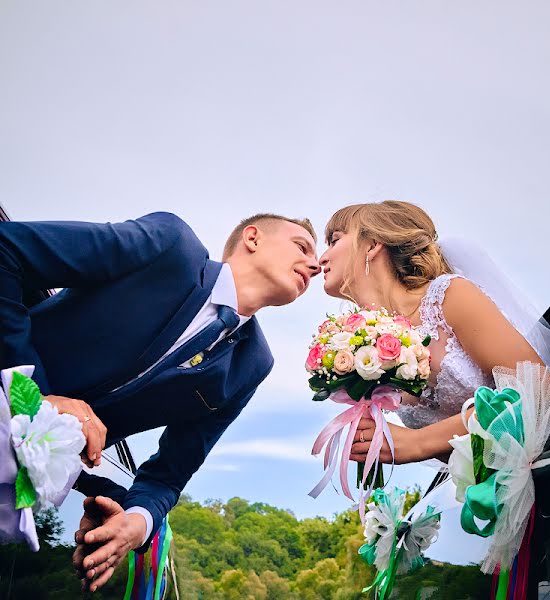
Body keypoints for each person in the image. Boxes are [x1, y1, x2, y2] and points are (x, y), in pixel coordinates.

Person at [0, 211, 320, 591]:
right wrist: (34, 395)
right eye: (301, 247)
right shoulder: (170, 246)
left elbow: (169, 475)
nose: (315, 265)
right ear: (252, 238)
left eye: (316, 261)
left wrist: (135, 523)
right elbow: (8, 250)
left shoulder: (252, 364)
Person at [317, 200, 550, 464]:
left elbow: (537, 393)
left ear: (372, 245)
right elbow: (457, 453)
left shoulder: (449, 297)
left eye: (335, 240)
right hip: (497, 488)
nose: (322, 257)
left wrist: (416, 442)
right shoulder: (371, 348)